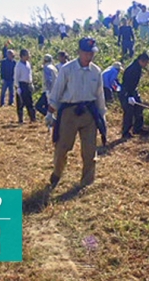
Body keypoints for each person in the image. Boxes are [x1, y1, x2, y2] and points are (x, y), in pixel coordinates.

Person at [47, 37, 106, 190]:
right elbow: (57, 91)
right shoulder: (67, 69)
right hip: (69, 113)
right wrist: (50, 112)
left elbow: (99, 95)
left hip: (89, 113)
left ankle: (86, 182)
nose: (89, 56)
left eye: (91, 53)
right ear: (79, 52)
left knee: (89, 150)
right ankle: (57, 173)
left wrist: (102, 115)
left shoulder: (96, 71)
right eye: (86, 53)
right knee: (62, 148)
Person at [119, 53, 149, 139]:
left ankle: (138, 128)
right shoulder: (132, 69)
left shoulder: (138, 68)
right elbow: (127, 83)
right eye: (146, 63)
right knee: (129, 112)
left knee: (138, 108)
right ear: (141, 61)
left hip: (133, 91)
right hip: (126, 92)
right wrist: (129, 96)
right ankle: (125, 132)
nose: (146, 65)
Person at [14, 49, 36, 124]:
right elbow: (16, 77)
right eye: (27, 54)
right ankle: (20, 119)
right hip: (21, 85)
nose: (29, 56)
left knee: (30, 102)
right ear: (22, 56)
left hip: (28, 84)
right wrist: (17, 87)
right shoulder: (18, 65)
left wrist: (31, 83)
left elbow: (29, 74)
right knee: (21, 103)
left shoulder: (28, 64)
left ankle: (33, 118)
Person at [36, 54, 58, 118]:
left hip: (48, 91)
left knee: (38, 106)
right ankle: (50, 121)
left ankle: (51, 117)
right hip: (53, 90)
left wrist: (48, 91)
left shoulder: (46, 68)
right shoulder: (54, 68)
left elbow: (48, 80)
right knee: (47, 107)